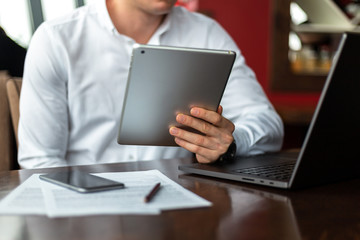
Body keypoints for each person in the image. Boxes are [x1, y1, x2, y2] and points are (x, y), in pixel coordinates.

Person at [18, 0, 284, 169]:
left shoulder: (206, 32)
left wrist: (230, 143)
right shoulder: (56, 39)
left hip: (181, 212)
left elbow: (268, 123)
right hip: (87, 215)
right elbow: (39, 161)